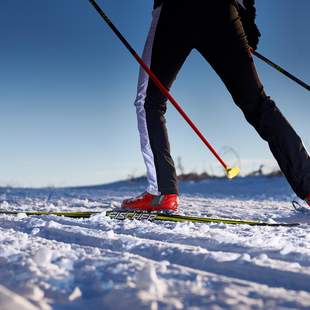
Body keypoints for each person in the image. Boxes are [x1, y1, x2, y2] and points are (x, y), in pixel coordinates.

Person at [121, 0, 310, 211]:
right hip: (222, 12)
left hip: (175, 11)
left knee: (149, 101)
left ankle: (161, 192)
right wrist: (247, 25)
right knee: (258, 103)